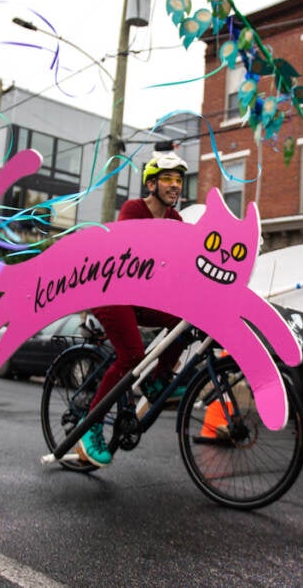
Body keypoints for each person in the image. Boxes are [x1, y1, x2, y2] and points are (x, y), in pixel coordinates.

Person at [76, 151, 193, 467]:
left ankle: (156, 380)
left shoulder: (176, 220)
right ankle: (91, 427)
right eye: (168, 179)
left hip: (140, 295)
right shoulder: (133, 209)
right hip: (109, 290)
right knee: (130, 356)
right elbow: (135, 250)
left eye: (179, 180)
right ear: (152, 183)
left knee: (186, 322)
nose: (175, 185)